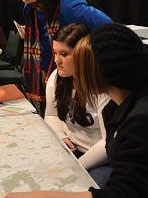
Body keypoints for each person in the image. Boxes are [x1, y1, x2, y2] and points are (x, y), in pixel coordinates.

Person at [6, 23, 148, 197]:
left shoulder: (139, 122)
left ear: (100, 70)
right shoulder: (121, 105)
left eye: (83, 63)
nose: (78, 72)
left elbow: (123, 192)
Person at [15, 0, 112, 116]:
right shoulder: (31, 3)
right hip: (48, 70)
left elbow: (110, 28)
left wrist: (86, 52)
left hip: (77, 74)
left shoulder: (70, 7)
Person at [45, 23, 110, 187]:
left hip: (103, 159)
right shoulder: (57, 78)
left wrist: (77, 166)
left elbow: (108, 143)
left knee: (79, 187)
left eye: (64, 54)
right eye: (55, 53)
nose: (56, 60)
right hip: (72, 152)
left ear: (83, 55)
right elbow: (51, 115)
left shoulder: (102, 88)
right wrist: (61, 136)